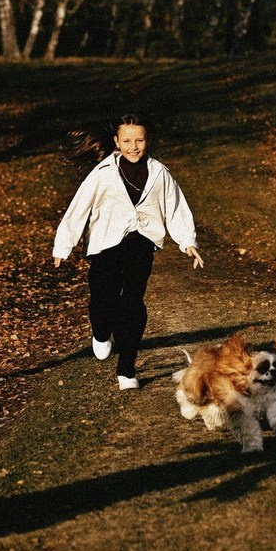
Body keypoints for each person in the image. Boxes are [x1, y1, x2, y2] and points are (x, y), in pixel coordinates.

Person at [52, 113, 203, 390]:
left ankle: (127, 368)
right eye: (127, 141)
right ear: (116, 142)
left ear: (148, 141)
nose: (134, 146)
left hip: (141, 242)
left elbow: (176, 207)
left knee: (132, 302)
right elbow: (79, 208)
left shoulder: (160, 173)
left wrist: (187, 241)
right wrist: (64, 244)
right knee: (102, 299)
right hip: (104, 243)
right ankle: (101, 333)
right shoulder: (102, 173)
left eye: (139, 140)